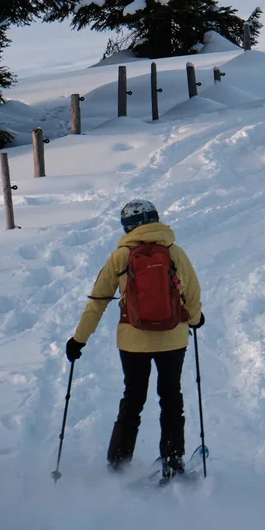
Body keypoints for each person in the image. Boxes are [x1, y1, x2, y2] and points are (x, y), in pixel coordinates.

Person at [66, 199, 205, 477]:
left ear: (129, 226)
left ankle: (119, 461)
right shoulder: (175, 252)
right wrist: (195, 319)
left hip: (133, 341)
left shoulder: (120, 257)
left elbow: (97, 302)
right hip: (173, 339)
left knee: (133, 398)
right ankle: (173, 458)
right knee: (171, 396)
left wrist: (78, 340)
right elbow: (192, 293)